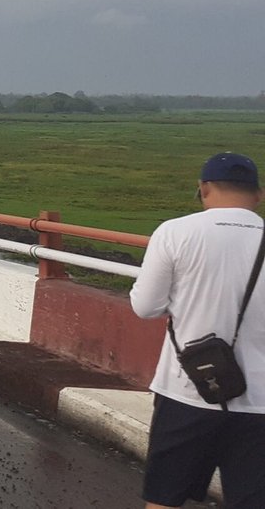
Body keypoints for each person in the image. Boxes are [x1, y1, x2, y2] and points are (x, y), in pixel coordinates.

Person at [131, 152, 265, 509]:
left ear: (203, 189)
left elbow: (145, 307)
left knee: (164, 498)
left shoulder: (175, 232)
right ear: (258, 194)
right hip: (260, 404)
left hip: (188, 391)